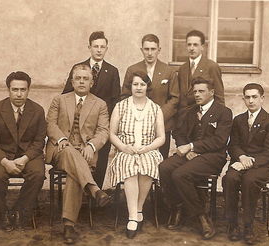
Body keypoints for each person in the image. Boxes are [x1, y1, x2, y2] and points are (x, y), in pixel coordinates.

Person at [159, 77, 232, 240]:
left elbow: (219, 141)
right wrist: (187, 149)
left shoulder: (224, 112)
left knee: (180, 174)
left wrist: (192, 147)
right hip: (190, 155)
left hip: (213, 157)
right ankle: (176, 207)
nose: (197, 94)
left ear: (211, 93)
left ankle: (202, 217)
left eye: (201, 91)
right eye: (195, 91)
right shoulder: (190, 111)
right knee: (164, 168)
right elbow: (179, 133)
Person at [46, 64, 111, 244]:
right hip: (61, 150)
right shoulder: (59, 100)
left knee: (75, 172)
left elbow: (104, 131)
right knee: (69, 152)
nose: (82, 82)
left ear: (92, 82)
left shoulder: (100, 104)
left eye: (86, 79)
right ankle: (94, 189)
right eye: (78, 78)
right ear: (72, 81)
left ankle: (68, 226)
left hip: (86, 153)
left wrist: (91, 145)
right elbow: (50, 124)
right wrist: (60, 140)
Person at [0, 71, 46, 231]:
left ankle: (19, 211)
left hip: (29, 157)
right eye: (14, 89)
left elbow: (39, 141)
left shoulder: (37, 110)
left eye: (23, 90)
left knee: (38, 175)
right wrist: (5, 161)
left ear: (28, 90)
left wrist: (24, 159)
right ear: (8, 90)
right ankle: (3, 213)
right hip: (3, 156)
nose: (19, 94)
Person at [106, 71, 165, 239]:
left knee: (147, 165)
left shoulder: (155, 108)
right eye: (135, 84)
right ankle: (133, 217)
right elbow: (112, 134)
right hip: (126, 149)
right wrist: (124, 147)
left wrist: (147, 148)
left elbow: (161, 137)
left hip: (148, 149)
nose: (139, 88)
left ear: (147, 87)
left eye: (142, 84)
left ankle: (139, 208)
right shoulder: (120, 106)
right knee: (130, 167)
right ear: (130, 86)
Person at [222, 83, 269, 245]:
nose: (251, 101)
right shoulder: (239, 120)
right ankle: (232, 224)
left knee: (249, 180)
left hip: (264, 165)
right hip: (241, 161)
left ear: (262, 98)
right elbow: (233, 144)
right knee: (229, 179)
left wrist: (248, 163)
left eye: (254, 97)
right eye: (247, 97)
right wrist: (241, 157)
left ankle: (248, 226)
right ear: (243, 99)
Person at [62, 31, 121, 188]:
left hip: (102, 123)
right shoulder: (78, 69)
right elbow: (67, 95)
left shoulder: (112, 71)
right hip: (79, 123)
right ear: (89, 47)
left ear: (106, 48)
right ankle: (80, 194)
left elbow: (115, 100)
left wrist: (107, 123)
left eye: (102, 47)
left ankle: (96, 197)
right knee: (78, 157)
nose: (99, 50)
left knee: (100, 160)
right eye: (96, 46)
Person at [121, 34, 179, 159]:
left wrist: (158, 116)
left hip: (162, 125)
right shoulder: (132, 69)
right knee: (137, 160)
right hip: (136, 123)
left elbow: (175, 98)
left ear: (159, 50)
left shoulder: (169, 71)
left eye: (153, 49)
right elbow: (125, 96)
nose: (150, 53)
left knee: (160, 163)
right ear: (142, 50)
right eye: (146, 49)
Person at [174, 30, 225, 137]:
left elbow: (219, 97)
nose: (192, 48)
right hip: (184, 121)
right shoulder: (182, 69)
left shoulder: (212, 66)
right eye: (189, 45)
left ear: (202, 47)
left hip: (203, 121)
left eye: (195, 45)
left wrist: (216, 120)